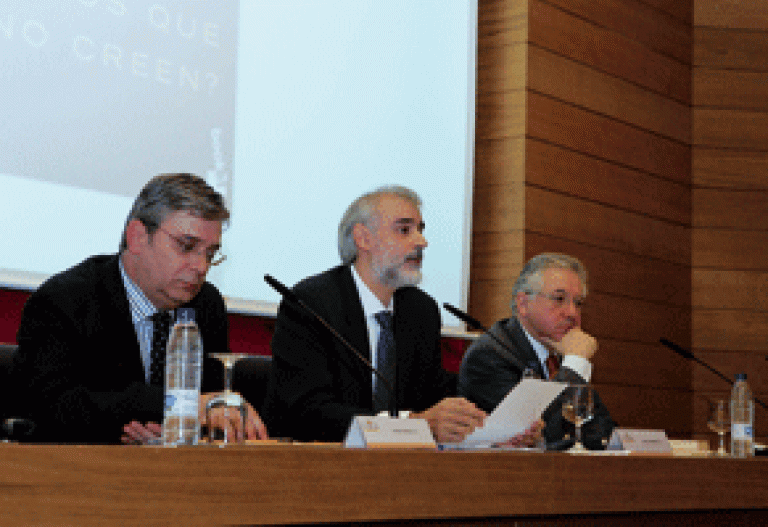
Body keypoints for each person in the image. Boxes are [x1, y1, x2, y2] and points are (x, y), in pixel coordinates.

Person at [13, 173, 268, 444]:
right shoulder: (66, 300)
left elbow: (213, 407)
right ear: (137, 237)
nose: (201, 267)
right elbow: (54, 407)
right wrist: (177, 408)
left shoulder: (206, 305)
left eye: (210, 253)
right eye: (187, 246)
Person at [262, 186, 486, 443]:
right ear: (363, 238)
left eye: (420, 230)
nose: (421, 242)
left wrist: (482, 427)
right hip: (318, 465)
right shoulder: (312, 303)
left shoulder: (420, 310)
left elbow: (432, 400)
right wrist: (412, 425)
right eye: (404, 230)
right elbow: (309, 413)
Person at [458, 253, 615, 450]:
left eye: (578, 303)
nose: (572, 313)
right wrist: (575, 362)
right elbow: (547, 435)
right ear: (523, 304)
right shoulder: (489, 356)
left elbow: (602, 433)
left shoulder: (559, 352)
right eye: (559, 299)